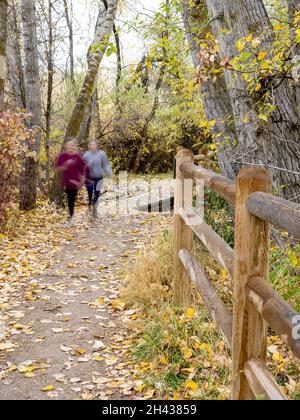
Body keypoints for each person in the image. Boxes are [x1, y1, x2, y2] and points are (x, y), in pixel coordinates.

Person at [56, 139, 86, 226]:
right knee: (67, 200)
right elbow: (57, 169)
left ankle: (69, 218)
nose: (70, 147)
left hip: (74, 183)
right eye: (69, 145)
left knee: (71, 200)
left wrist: (82, 182)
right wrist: (66, 165)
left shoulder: (78, 157)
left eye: (72, 145)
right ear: (66, 146)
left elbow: (83, 170)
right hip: (64, 182)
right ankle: (68, 216)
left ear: (75, 146)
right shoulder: (63, 155)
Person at [83, 141, 112, 218]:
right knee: (89, 193)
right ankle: (89, 208)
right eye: (91, 145)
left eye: (94, 145)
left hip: (99, 177)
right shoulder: (86, 154)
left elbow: (106, 164)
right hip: (88, 177)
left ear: (97, 146)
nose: (93, 146)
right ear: (89, 146)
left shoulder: (101, 154)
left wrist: (109, 173)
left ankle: (95, 210)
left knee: (97, 193)